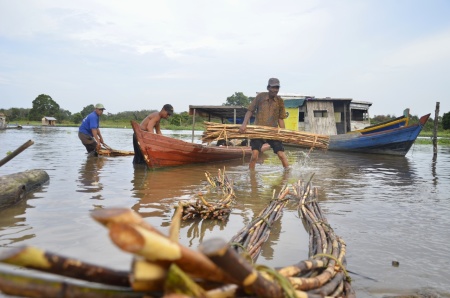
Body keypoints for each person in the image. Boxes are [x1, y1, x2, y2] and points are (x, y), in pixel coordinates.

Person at [239, 78, 289, 169]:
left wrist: (283, 132)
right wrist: (244, 124)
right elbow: (250, 111)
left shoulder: (280, 101)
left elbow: (280, 119)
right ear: (268, 88)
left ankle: (288, 173)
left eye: (277, 88)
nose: (275, 90)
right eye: (273, 87)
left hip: (272, 132)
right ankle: (251, 176)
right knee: (254, 156)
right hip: (258, 131)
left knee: (281, 155)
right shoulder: (260, 97)